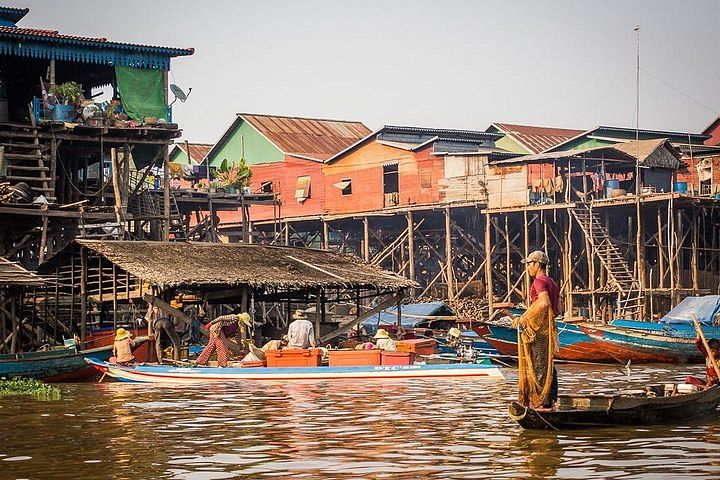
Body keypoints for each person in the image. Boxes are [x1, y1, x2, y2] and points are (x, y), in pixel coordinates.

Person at [512, 250, 561, 411]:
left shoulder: (539, 281)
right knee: (548, 365)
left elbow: (544, 302)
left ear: (537, 264)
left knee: (539, 366)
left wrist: (524, 317)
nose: (527, 268)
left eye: (529, 264)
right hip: (548, 330)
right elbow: (558, 309)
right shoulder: (552, 282)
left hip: (539, 331)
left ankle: (542, 404)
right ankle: (551, 402)